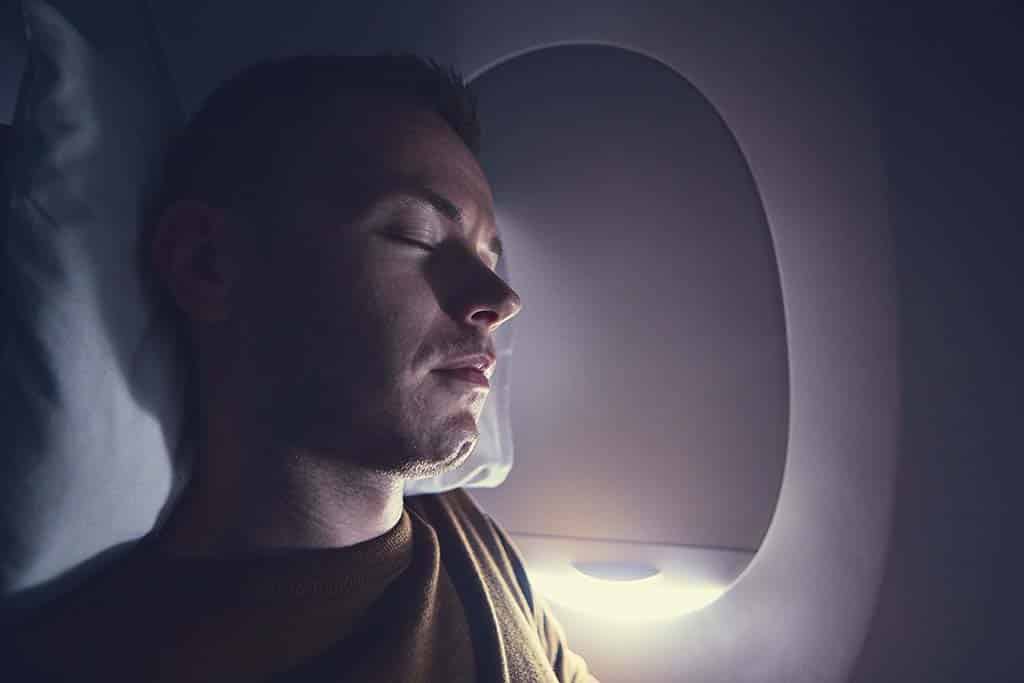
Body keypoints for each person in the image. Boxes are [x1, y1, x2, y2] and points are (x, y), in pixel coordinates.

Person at [6, 53, 598, 682]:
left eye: (486, 257)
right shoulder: (106, 658)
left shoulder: (468, 537)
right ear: (208, 264)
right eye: (416, 235)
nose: (502, 302)